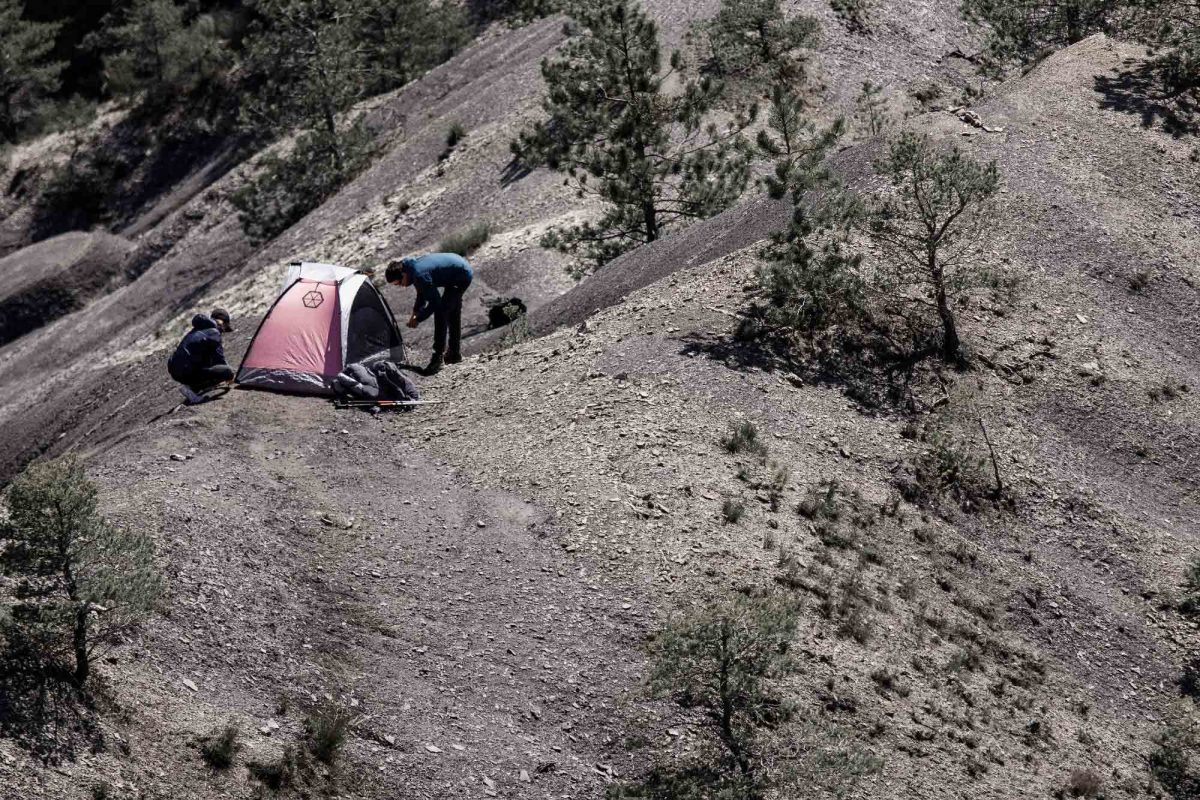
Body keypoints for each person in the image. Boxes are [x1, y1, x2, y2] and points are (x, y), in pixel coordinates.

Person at [385, 252, 473, 375]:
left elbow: (435, 303)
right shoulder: (410, 268)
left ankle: (437, 358)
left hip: (462, 275)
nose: (401, 286)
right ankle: (454, 353)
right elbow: (421, 292)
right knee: (451, 308)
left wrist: (419, 318)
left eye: (398, 283)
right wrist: (415, 312)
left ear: (403, 274)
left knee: (442, 312)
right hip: (456, 268)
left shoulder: (419, 274)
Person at [168, 308, 234, 404]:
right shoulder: (214, 332)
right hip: (187, 370)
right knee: (226, 372)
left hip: (175, 369)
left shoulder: (198, 328)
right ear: (224, 323)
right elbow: (219, 360)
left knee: (209, 366)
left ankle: (192, 387)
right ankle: (191, 388)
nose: (223, 331)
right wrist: (230, 375)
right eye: (225, 327)